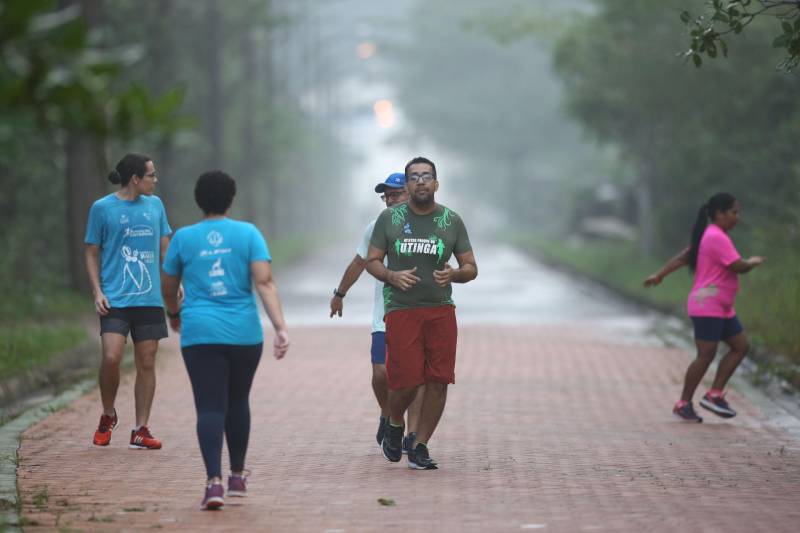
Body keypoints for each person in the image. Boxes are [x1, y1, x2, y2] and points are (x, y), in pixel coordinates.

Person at [161, 170, 290, 510]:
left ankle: (213, 483)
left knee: (209, 405)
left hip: (199, 333)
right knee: (237, 400)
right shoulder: (248, 234)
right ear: (231, 198)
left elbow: (168, 288)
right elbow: (265, 282)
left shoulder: (183, 239)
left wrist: (174, 314)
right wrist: (280, 327)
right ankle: (236, 477)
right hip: (244, 334)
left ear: (198, 200)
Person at [365, 156, 477, 469]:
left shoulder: (451, 221)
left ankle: (420, 444)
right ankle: (395, 422)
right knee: (406, 381)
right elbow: (371, 260)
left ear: (436, 183)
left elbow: (471, 267)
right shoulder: (389, 219)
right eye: (414, 177)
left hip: (440, 310)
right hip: (402, 310)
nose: (420, 181)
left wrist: (455, 274)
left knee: (439, 380)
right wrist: (390, 276)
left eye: (426, 176)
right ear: (408, 183)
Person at [644, 192, 764, 423]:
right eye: (734, 212)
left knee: (741, 346)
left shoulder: (710, 235)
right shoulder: (716, 236)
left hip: (721, 306)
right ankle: (683, 403)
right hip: (707, 304)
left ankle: (714, 394)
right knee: (706, 355)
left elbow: (683, 258)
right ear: (719, 213)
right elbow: (738, 266)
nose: (737, 217)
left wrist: (660, 275)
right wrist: (752, 262)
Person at [329, 172, 424, 452]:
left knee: (417, 376)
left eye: (396, 194)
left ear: (410, 193)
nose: (391, 200)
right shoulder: (377, 227)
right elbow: (359, 263)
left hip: (419, 312)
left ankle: (412, 434)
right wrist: (339, 294)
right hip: (386, 312)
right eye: (387, 196)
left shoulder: (428, 225)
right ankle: (387, 413)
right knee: (382, 372)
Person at [85, 153, 171, 450]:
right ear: (135, 178)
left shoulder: (155, 206)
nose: (155, 180)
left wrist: (176, 281)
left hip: (148, 298)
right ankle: (108, 414)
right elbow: (91, 252)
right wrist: (97, 291)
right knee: (111, 357)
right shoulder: (102, 208)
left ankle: (140, 429)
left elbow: (165, 249)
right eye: (151, 175)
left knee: (146, 361)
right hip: (115, 297)